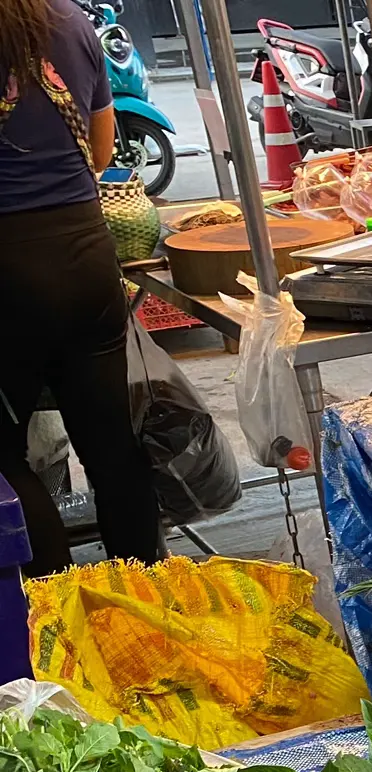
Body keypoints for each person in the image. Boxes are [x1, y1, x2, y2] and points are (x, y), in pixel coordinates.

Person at [0, 0, 160, 574]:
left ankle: (55, 609)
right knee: (111, 444)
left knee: (4, 456)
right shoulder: (70, 20)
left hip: (9, 269)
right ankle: (142, 598)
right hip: (86, 254)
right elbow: (99, 150)